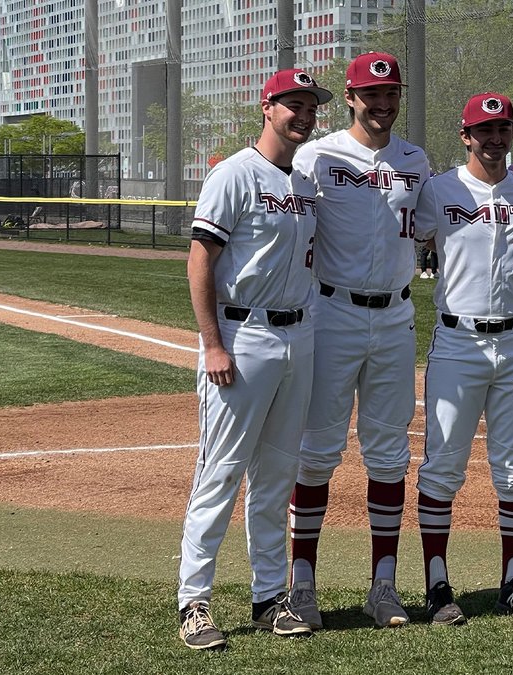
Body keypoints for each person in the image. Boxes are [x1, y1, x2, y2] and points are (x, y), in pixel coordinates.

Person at [177, 68, 331, 650]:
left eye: (311, 104)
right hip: (243, 338)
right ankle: (194, 602)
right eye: (293, 103)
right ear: (268, 108)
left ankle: (270, 597)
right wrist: (212, 342)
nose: (304, 113)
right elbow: (200, 261)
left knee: (275, 479)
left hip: (297, 339)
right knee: (219, 474)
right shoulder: (233, 174)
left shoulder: (303, 184)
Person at [286, 52, 430, 630]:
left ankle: (385, 586)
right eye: (371, 94)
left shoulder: (415, 160)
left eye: (391, 93)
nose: (382, 104)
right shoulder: (316, 156)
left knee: (389, 452)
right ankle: (301, 587)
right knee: (317, 451)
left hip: (395, 317)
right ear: (350, 97)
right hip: (332, 312)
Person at [413, 92, 513, 624]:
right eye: (485, 131)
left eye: (504, 130)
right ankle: (436, 584)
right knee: (444, 466)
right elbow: (405, 233)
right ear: (465, 135)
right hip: (457, 340)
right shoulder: (440, 189)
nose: (495, 140)